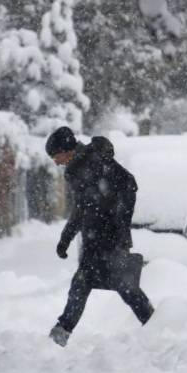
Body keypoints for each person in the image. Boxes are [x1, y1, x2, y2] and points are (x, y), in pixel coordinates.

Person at [45, 126, 153, 346]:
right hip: (96, 241)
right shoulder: (79, 168)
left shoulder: (92, 162)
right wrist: (66, 238)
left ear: (66, 150)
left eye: (56, 156)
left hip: (109, 241)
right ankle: (61, 332)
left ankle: (156, 325)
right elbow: (81, 209)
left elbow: (129, 184)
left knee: (125, 288)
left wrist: (115, 221)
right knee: (87, 284)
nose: (56, 162)